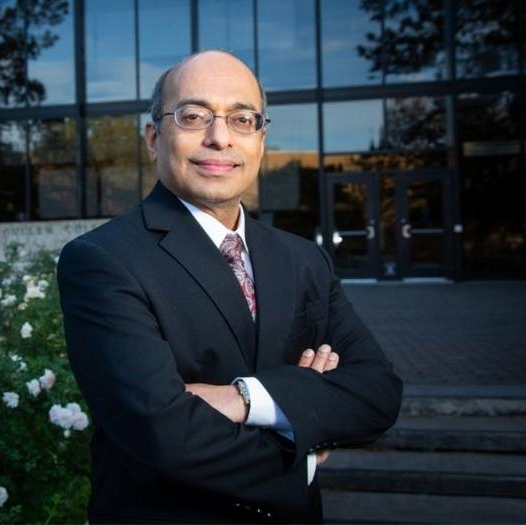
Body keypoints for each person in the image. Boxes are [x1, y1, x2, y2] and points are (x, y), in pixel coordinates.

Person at [56, 50, 403, 523]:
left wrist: (243, 398)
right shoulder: (103, 260)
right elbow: (162, 432)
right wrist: (300, 436)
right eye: (194, 116)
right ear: (154, 138)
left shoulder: (303, 259)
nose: (220, 138)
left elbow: (377, 392)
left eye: (242, 119)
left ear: (261, 140)